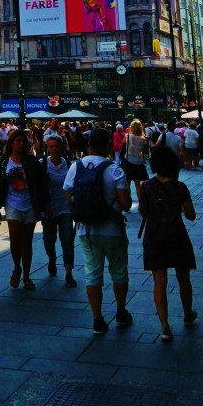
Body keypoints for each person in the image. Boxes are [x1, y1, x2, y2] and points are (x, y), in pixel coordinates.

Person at [63, 126, 132, 335]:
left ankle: (97, 320)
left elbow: (68, 197)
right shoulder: (115, 170)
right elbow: (127, 204)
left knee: (93, 274)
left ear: (89, 144)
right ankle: (120, 312)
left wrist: (82, 213)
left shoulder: (76, 167)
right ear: (109, 145)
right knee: (118, 271)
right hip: (113, 230)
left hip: (87, 230)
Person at [139, 145, 198, 341]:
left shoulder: (146, 186)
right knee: (184, 277)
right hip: (177, 234)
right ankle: (188, 313)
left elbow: (143, 212)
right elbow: (191, 215)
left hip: (155, 236)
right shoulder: (180, 187)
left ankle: (165, 326)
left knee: (159, 281)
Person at [0, 128, 50, 291]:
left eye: (23, 141)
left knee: (27, 241)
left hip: (30, 204)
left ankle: (26, 275)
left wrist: (46, 203)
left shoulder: (31, 161)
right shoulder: (3, 161)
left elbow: (41, 183)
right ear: (11, 143)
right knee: (15, 239)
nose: (20, 144)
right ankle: (16, 267)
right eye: (17, 141)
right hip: (12, 204)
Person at [41, 132, 76, 287]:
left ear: (62, 147)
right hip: (48, 208)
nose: (54, 149)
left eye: (56, 146)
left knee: (67, 239)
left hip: (65, 208)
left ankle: (69, 271)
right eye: (51, 147)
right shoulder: (42, 164)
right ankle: (52, 258)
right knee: (49, 239)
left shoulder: (69, 165)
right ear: (47, 148)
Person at [121, 118, 150, 204]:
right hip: (138, 162)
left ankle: (127, 203)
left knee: (127, 184)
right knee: (138, 186)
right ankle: (140, 204)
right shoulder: (143, 139)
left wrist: (128, 132)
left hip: (128, 161)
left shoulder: (128, 136)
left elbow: (123, 142)